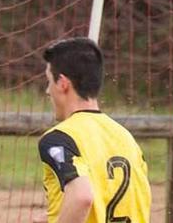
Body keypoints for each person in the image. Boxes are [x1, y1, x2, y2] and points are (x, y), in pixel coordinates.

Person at [38, 37, 151, 223]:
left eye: (49, 81)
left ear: (63, 83)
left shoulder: (60, 138)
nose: (48, 91)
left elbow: (81, 198)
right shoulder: (126, 138)